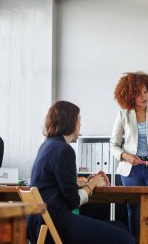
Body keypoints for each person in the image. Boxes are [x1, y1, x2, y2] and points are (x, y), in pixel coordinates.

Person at [28, 101, 135, 244]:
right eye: (79, 120)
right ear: (71, 122)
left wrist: (84, 182)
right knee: (125, 239)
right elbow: (73, 201)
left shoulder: (47, 145)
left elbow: (56, 183)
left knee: (120, 226)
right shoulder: (64, 150)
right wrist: (92, 184)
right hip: (56, 224)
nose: (80, 125)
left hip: (38, 223)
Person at [110, 71, 148, 237]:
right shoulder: (123, 115)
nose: (144, 96)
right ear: (130, 96)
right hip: (131, 169)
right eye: (138, 93)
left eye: (145, 91)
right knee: (135, 211)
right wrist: (126, 156)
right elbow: (113, 145)